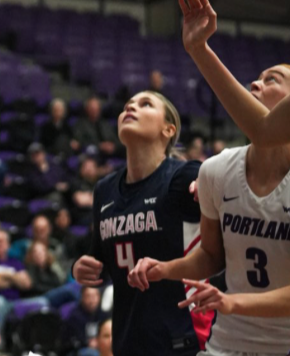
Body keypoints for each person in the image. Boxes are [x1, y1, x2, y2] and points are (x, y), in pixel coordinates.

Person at [128, 63, 290, 355]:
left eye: (272, 80)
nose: (255, 85)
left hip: (286, 342)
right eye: (254, 80)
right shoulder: (217, 170)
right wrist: (164, 268)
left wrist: (232, 302)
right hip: (227, 339)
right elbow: (211, 255)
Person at [71, 91, 207, 356]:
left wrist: (214, 184)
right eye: (127, 106)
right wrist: (81, 267)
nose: (131, 108)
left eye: (145, 104)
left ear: (169, 129)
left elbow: (221, 244)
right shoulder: (104, 190)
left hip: (182, 339)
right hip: (127, 341)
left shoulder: (184, 176)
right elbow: (100, 261)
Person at [60, 286, 106, 353]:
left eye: (94, 296)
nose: (92, 300)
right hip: (78, 350)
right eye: (88, 296)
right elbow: (72, 341)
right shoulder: (74, 317)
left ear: (99, 297)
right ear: (82, 298)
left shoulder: (104, 315)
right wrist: (87, 343)